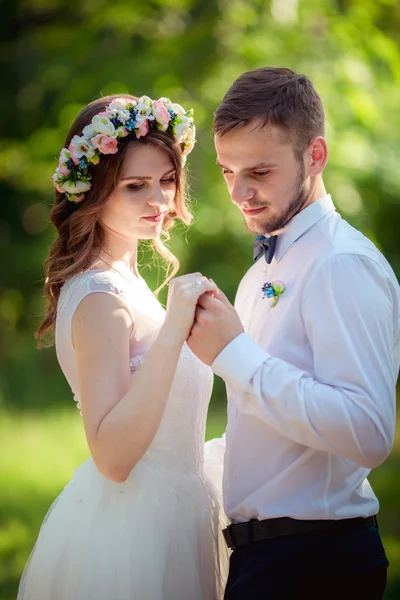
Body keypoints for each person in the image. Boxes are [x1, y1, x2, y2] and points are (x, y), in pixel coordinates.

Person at [191, 67, 400, 599]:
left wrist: (235, 356)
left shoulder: (339, 263)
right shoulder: (263, 266)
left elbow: (369, 433)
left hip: (315, 563)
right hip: (269, 559)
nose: (239, 192)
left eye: (259, 171)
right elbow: (271, 435)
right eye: (227, 170)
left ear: (316, 156)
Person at [18, 94, 227, 600]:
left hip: (180, 510)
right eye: (136, 186)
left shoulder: (127, 283)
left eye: (167, 181)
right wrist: (176, 328)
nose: (159, 200)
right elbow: (112, 456)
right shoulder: (99, 298)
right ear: (92, 191)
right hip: (136, 532)